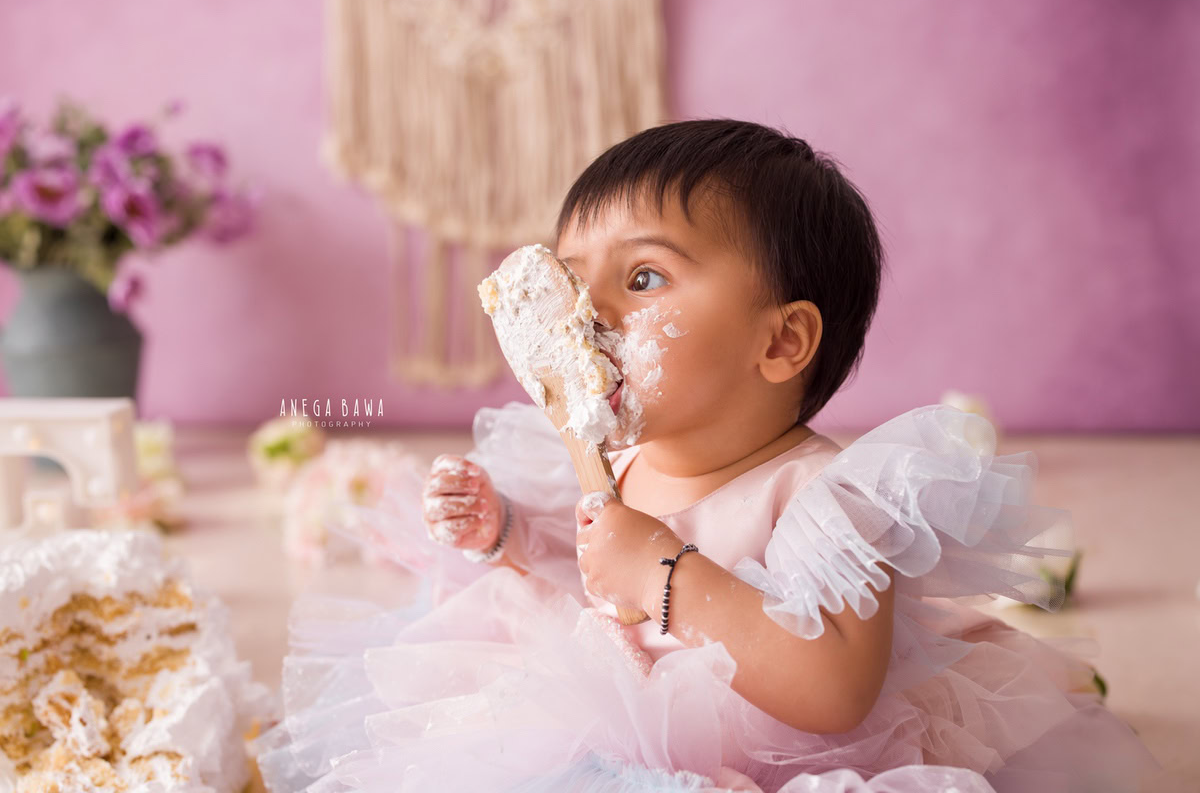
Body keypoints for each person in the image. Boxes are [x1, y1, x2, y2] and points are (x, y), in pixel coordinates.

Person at [254, 120, 1160, 792]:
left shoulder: (825, 501)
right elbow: (597, 587)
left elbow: (832, 690)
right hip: (602, 718)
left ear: (780, 342)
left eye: (643, 277)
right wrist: (512, 537)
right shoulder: (612, 461)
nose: (586, 314)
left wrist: (666, 572)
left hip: (765, 755)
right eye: (574, 281)